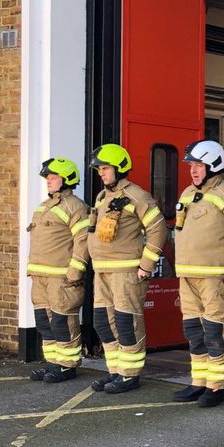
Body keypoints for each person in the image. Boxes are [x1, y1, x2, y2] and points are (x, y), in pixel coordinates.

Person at [171, 140, 224, 409]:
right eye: (192, 166)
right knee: (194, 331)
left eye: (199, 165)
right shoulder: (187, 193)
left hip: (217, 278)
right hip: (189, 276)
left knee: (215, 332)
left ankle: (217, 386)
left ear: (213, 165)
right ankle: (199, 381)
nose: (193, 171)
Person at [87, 143, 167, 393]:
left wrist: (146, 265)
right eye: (100, 169)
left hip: (127, 272)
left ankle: (130, 375)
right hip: (102, 271)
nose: (102, 173)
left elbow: (158, 229)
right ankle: (115, 371)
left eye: (106, 168)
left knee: (126, 322)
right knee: (102, 322)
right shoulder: (103, 197)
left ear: (120, 168)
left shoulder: (138, 196)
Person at [26, 157, 89, 383]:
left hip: (62, 277)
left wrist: (75, 270)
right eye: (48, 178)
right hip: (41, 276)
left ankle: (67, 365)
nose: (49, 181)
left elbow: (83, 240)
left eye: (53, 177)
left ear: (67, 179)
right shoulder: (45, 206)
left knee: (63, 321)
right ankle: (53, 363)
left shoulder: (76, 207)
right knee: (44, 321)